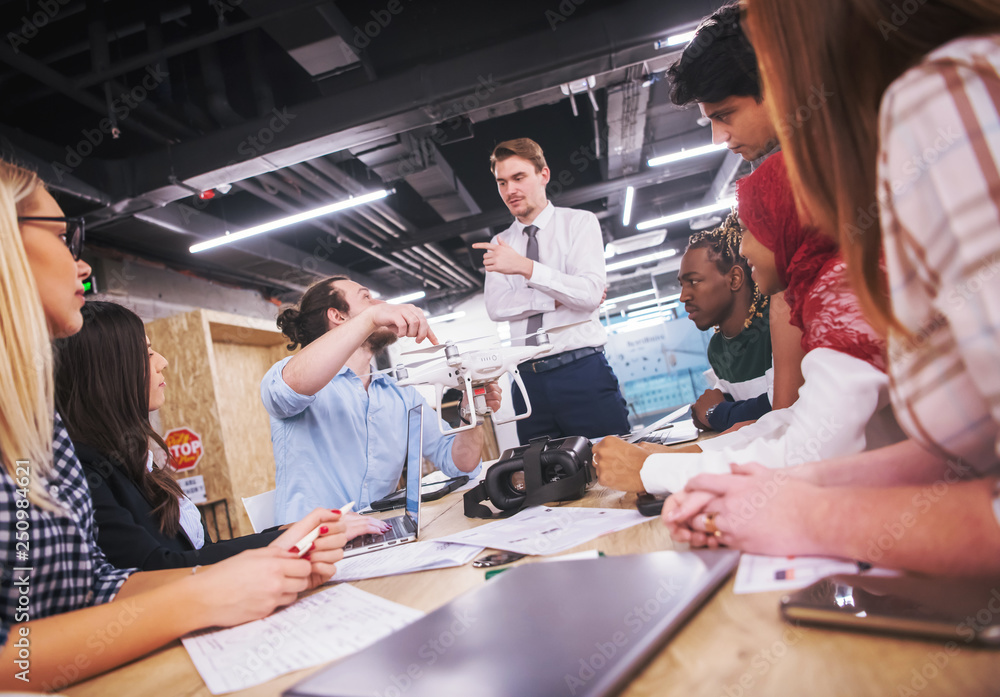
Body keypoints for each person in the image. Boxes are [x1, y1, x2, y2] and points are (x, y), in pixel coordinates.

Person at [663, 0, 1000, 576]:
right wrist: (788, 487)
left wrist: (807, 515)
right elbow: (965, 455)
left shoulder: (941, 97)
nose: (742, 247)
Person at [0, 159, 347, 691]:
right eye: (62, 237)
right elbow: (15, 656)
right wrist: (199, 595)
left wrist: (256, 569)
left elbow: (95, 585)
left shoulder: (39, 427)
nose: (83, 266)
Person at [593, 152, 904, 494]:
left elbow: (810, 450)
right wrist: (684, 456)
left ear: (787, 223)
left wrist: (653, 471)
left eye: (750, 230)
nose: (743, 246)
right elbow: (791, 419)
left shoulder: (847, 298)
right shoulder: (823, 294)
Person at [53, 301, 386, 571]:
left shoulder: (134, 461)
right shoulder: (84, 470)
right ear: (108, 370)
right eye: (147, 352)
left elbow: (202, 552)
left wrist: (292, 531)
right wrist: (298, 535)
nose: (163, 362)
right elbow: (160, 569)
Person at [261, 276, 500, 523]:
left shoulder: (399, 392)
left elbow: (459, 465)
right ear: (337, 316)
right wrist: (373, 317)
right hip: (314, 545)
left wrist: (471, 411)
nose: (381, 303)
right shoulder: (288, 376)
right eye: (367, 297)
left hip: (380, 535)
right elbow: (292, 388)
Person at [668, 1, 806, 427]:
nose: (719, 137)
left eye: (725, 115)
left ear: (774, 81)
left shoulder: (792, 175)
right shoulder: (771, 167)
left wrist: (774, 424)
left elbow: (788, 405)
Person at [472, 138, 629, 443]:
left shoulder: (580, 224)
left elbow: (588, 295)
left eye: (519, 178)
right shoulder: (500, 242)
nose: (510, 190)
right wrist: (557, 298)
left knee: (613, 471)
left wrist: (524, 267)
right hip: (526, 382)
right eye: (502, 182)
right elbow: (496, 308)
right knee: (543, 482)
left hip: (581, 372)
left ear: (543, 175)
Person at [681, 212, 774, 431]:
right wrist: (705, 412)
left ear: (734, 279)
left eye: (693, 281)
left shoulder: (773, 325)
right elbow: (726, 406)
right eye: (682, 284)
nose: (683, 296)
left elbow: (777, 406)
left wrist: (715, 413)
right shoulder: (717, 348)